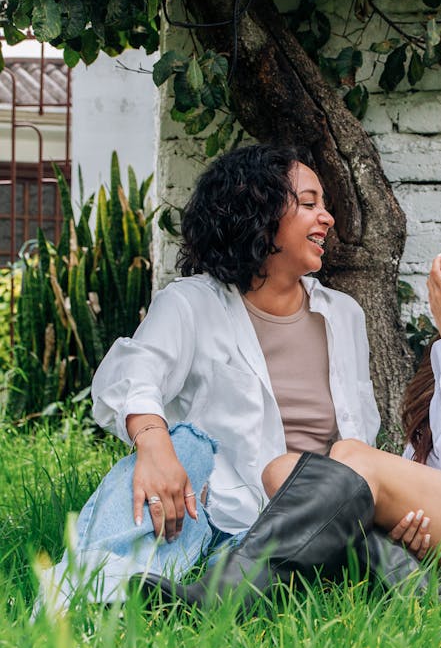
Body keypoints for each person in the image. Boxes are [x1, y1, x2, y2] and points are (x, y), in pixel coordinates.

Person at [147, 199, 441, 613]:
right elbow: (430, 466)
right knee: (282, 470)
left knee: (350, 458)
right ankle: (425, 588)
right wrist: (408, 517)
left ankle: (222, 595)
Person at [38, 143, 419, 612]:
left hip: (312, 516)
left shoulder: (343, 316)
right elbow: (133, 373)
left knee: (347, 480)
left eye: (326, 205)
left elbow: (357, 437)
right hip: (217, 510)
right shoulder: (192, 303)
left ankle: (219, 597)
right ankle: (98, 590)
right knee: (186, 444)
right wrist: (155, 446)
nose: (328, 218)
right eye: (308, 202)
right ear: (258, 209)